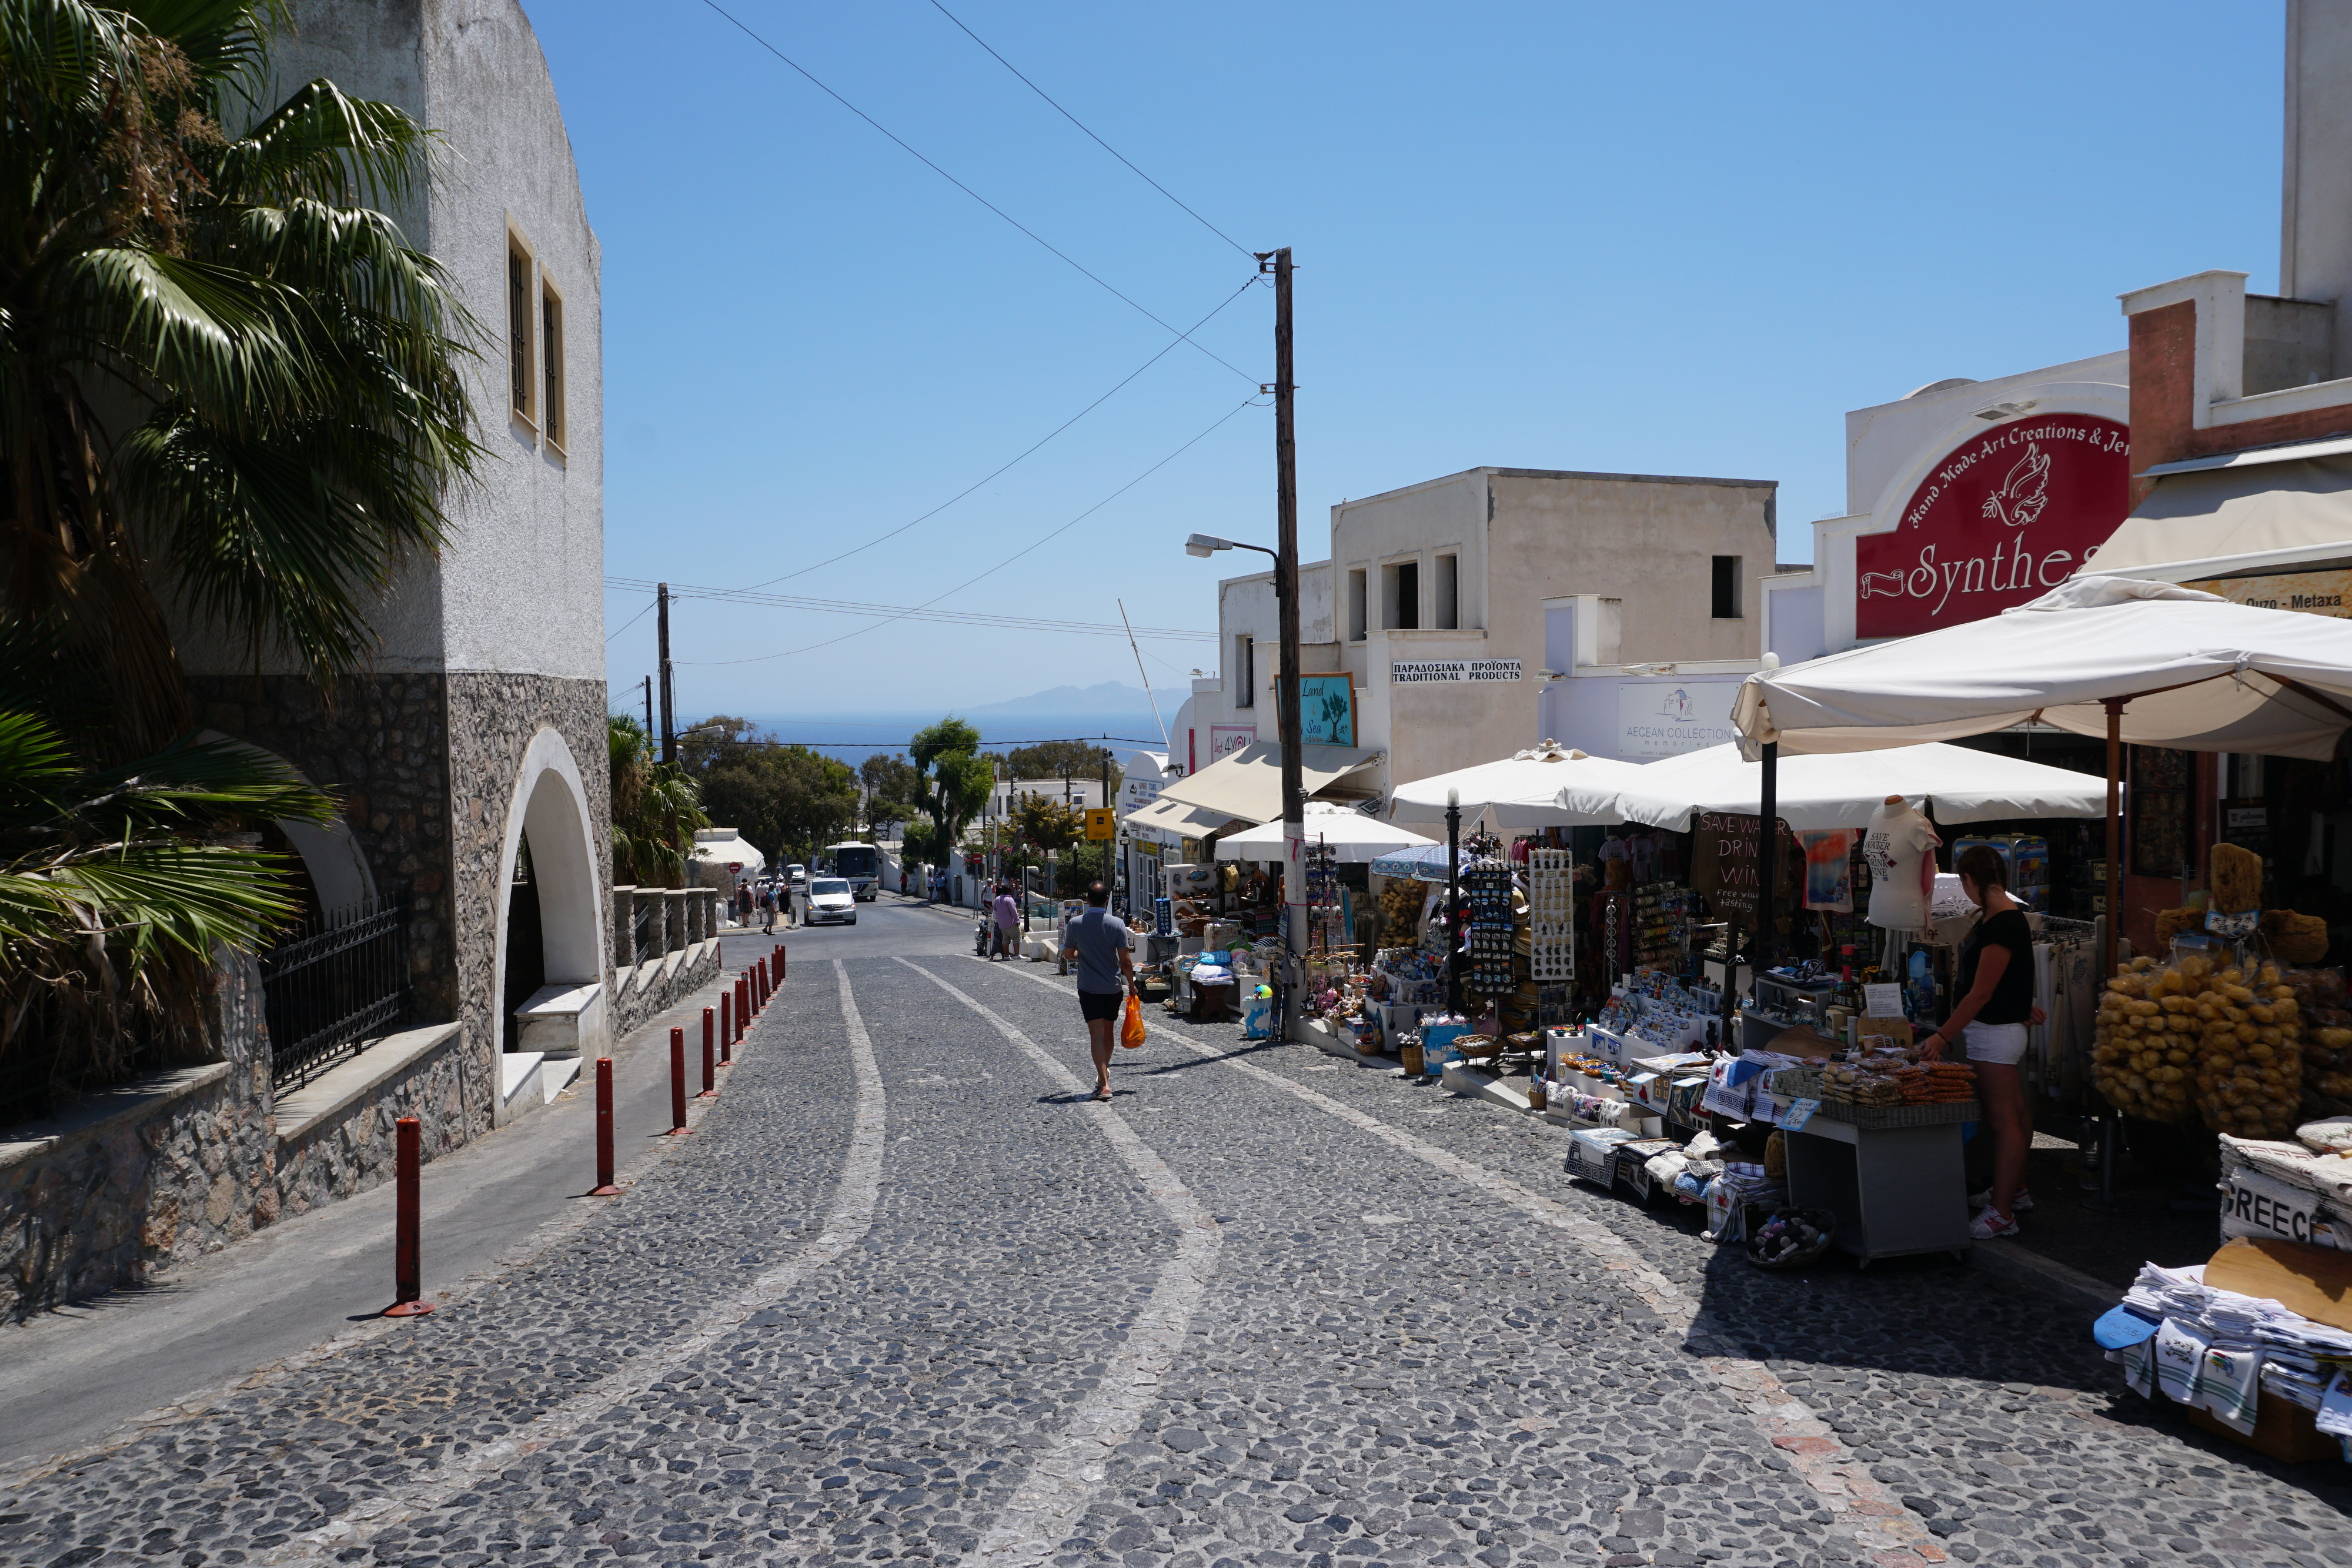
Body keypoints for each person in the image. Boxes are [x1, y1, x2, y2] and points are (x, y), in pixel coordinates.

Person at [1919, 844, 2046, 1240]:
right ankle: (2015, 1191)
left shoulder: (2003, 923)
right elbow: (2008, 979)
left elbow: (1980, 992)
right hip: (1998, 1028)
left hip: (1994, 1033)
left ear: (1970, 880)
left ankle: (2002, 1212)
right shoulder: (1998, 917)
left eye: (1964, 883)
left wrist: (1943, 1036)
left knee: (2003, 1120)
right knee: (2015, 1115)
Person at [1061, 881, 1135, 1101]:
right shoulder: (1117, 924)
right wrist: (1131, 985)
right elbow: (1126, 961)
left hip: (1088, 987)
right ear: (1106, 900)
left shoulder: (1075, 924)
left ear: (1087, 899)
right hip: (1112, 987)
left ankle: (1104, 1083)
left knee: (1096, 1035)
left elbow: (1067, 954)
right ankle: (1103, 1076)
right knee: (1108, 1031)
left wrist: (1082, 956)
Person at [993, 882, 1020, 961]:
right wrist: (1017, 919)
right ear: (1009, 891)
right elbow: (1013, 911)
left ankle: (1007, 956)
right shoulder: (1009, 899)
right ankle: (1017, 955)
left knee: (1005, 939)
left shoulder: (997, 899)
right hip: (1010, 923)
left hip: (1002, 923)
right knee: (1016, 937)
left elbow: (995, 910)